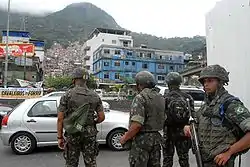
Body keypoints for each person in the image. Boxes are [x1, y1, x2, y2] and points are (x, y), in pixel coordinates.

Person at [184, 64, 250, 167]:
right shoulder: (206, 106)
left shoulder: (230, 104)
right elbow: (198, 126)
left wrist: (229, 152)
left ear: (220, 82)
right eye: (204, 81)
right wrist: (189, 128)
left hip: (222, 163)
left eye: (210, 81)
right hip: (203, 161)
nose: (206, 84)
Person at [57, 68, 105, 167]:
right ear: (86, 80)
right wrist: (93, 122)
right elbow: (101, 117)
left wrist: (60, 137)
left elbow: (60, 119)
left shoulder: (67, 95)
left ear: (74, 79)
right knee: (91, 162)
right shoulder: (95, 95)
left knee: (71, 163)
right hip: (89, 133)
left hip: (73, 133)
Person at [120, 70, 165, 167]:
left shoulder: (140, 97)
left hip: (142, 140)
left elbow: (137, 125)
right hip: (157, 139)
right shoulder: (160, 98)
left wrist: (125, 138)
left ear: (139, 84)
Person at [162, 72, 194, 167]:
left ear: (167, 83)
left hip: (168, 133)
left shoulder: (164, 98)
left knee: (167, 159)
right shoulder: (187, 97)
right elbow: (192, 115)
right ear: (180, 82)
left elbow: (161, 116)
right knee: (184, 159)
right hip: (183, 133)